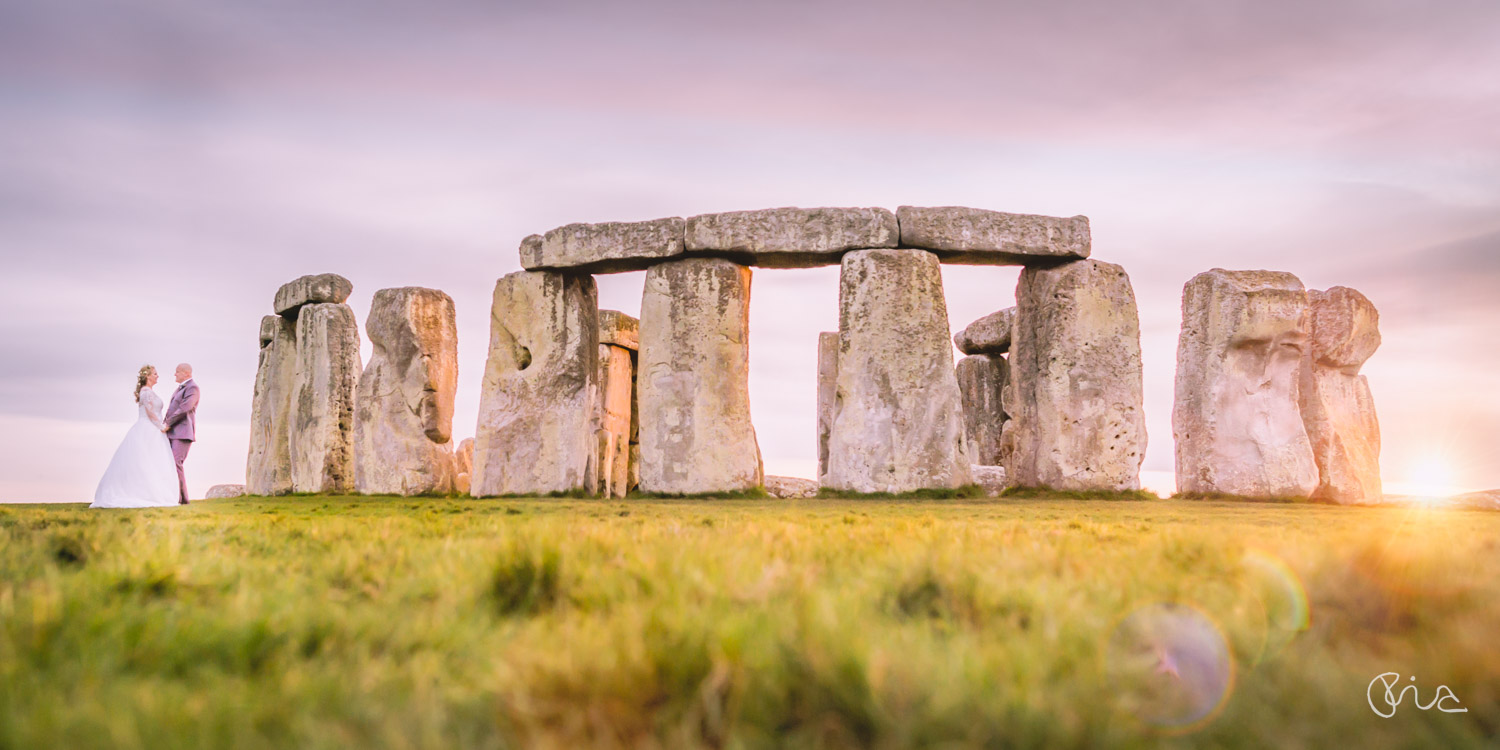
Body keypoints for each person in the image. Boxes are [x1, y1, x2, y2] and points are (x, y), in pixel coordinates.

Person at [91, 365, 180, 508]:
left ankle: (154, 491)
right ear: (148, 376)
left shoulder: (149, 391)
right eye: (155, 374)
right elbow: (150, 412)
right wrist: (161, 426)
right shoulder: (146, 392)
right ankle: (145, 493)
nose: (157, 376)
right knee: (146, 461)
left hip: (153, 429)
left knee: (152, 462)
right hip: (148, 428)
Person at [161, 363, 201, 505]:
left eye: (177, 372)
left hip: (183, 432)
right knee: (170, 464)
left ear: (186, 373)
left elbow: (185, 408)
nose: (175, 374)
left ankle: (183, 500)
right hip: (172, 432)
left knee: (176, 463)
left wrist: (168, 423)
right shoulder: (180, 388)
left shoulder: (193, 388)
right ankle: (174, 497)